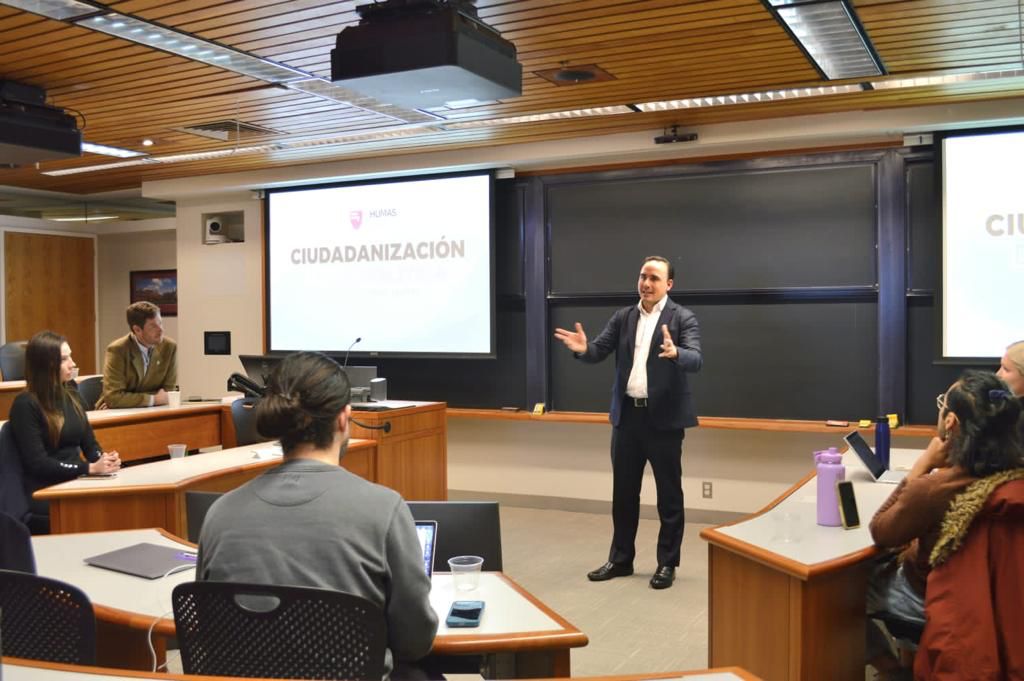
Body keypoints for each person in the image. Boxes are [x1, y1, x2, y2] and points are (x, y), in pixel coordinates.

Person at [196, 351, 437, 676]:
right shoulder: (385, 509)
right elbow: (415, 640)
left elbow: (208, 628)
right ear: (344, 418)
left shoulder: (219, 514)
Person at [554, 255, 702, 589]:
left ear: (669, 284)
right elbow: (598, 350)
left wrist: (677, 353)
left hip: (664, 422)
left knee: (669, 496)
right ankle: (621, 559)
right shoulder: (624, 317)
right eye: (642, 276)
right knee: (623, 494)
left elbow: (696, 359)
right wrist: (583, 349)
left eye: (654, 278)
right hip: (627, 419)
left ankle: (667, 563)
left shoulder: (683, 318)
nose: (646, 283)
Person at [866, 370, 1024, 678]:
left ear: (950, 421)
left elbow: (881, 531)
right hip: (996, 604)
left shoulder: (935, 490)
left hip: (931, 597)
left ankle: (893, 670)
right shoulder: (1015, 476)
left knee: (842, 591)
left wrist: (923, 464)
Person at [9, 331, 121, 533]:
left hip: (74, 480)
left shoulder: (71, 396)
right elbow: (38, 464)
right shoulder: (25, 404)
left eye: (70, 356)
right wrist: (89, 468)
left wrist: (104, 460)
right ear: (46, 364)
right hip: (44, 489)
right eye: (64, 359)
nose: (72, 363)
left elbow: (90, 445)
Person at [97, 301, 177, 408]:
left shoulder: (169, 347)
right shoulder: (118, 350)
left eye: (160, 323)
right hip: (117, 412)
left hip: (152, 410)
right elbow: (114, 398)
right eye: (153, 326)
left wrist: (127, 399)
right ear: (137, 330)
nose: (161, 330)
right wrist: (154, 399)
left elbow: (168, 392)